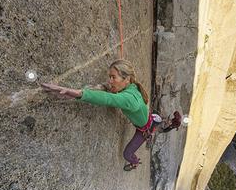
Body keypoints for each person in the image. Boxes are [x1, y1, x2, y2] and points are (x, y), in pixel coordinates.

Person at [41, 59, 179, 171]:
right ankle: (166, 123)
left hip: (144, 129)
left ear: (127, 79)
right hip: (149, 119)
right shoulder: (132, 86)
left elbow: (107, 99)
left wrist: (75, 93)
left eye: (113, 77)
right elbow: (114, 93)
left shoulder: (129, 99)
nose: (110, 81)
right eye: (109, 77)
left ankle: (135, 162)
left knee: (127, 154)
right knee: (158, 122)